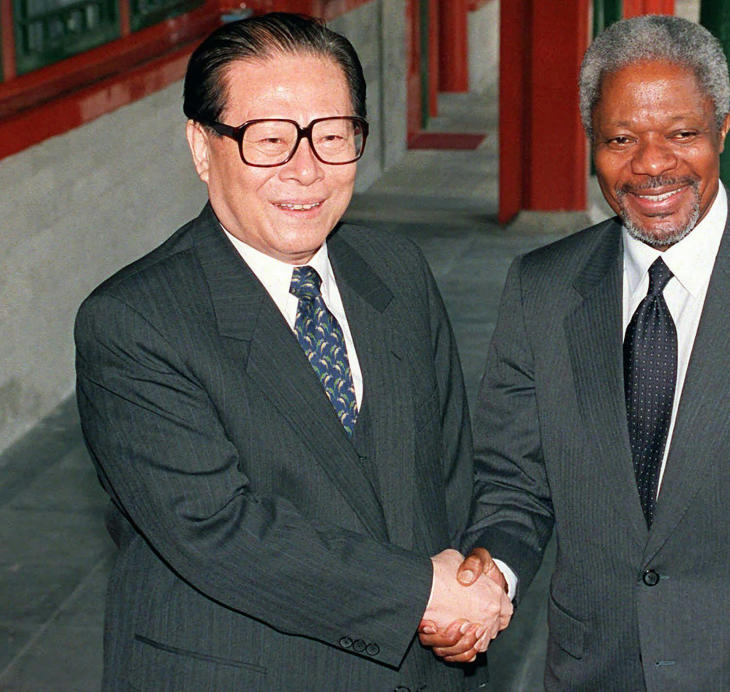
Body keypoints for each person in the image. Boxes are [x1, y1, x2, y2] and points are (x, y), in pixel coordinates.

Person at [421, 15, 730, 690]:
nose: (651, 164)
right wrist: (488, 575)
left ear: (723, 130)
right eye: (621, 138)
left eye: (682, 133)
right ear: (591, 140)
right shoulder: (541, 290)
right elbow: (514, 484)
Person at [74, 13, 510, 691]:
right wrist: (421, 594)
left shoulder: (395, 270)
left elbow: (449, 473)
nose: (306, 170)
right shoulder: (135, 322)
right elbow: (220, 532)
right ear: (200, 146)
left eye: (333, 137)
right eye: (269, 140)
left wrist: (467, 600)